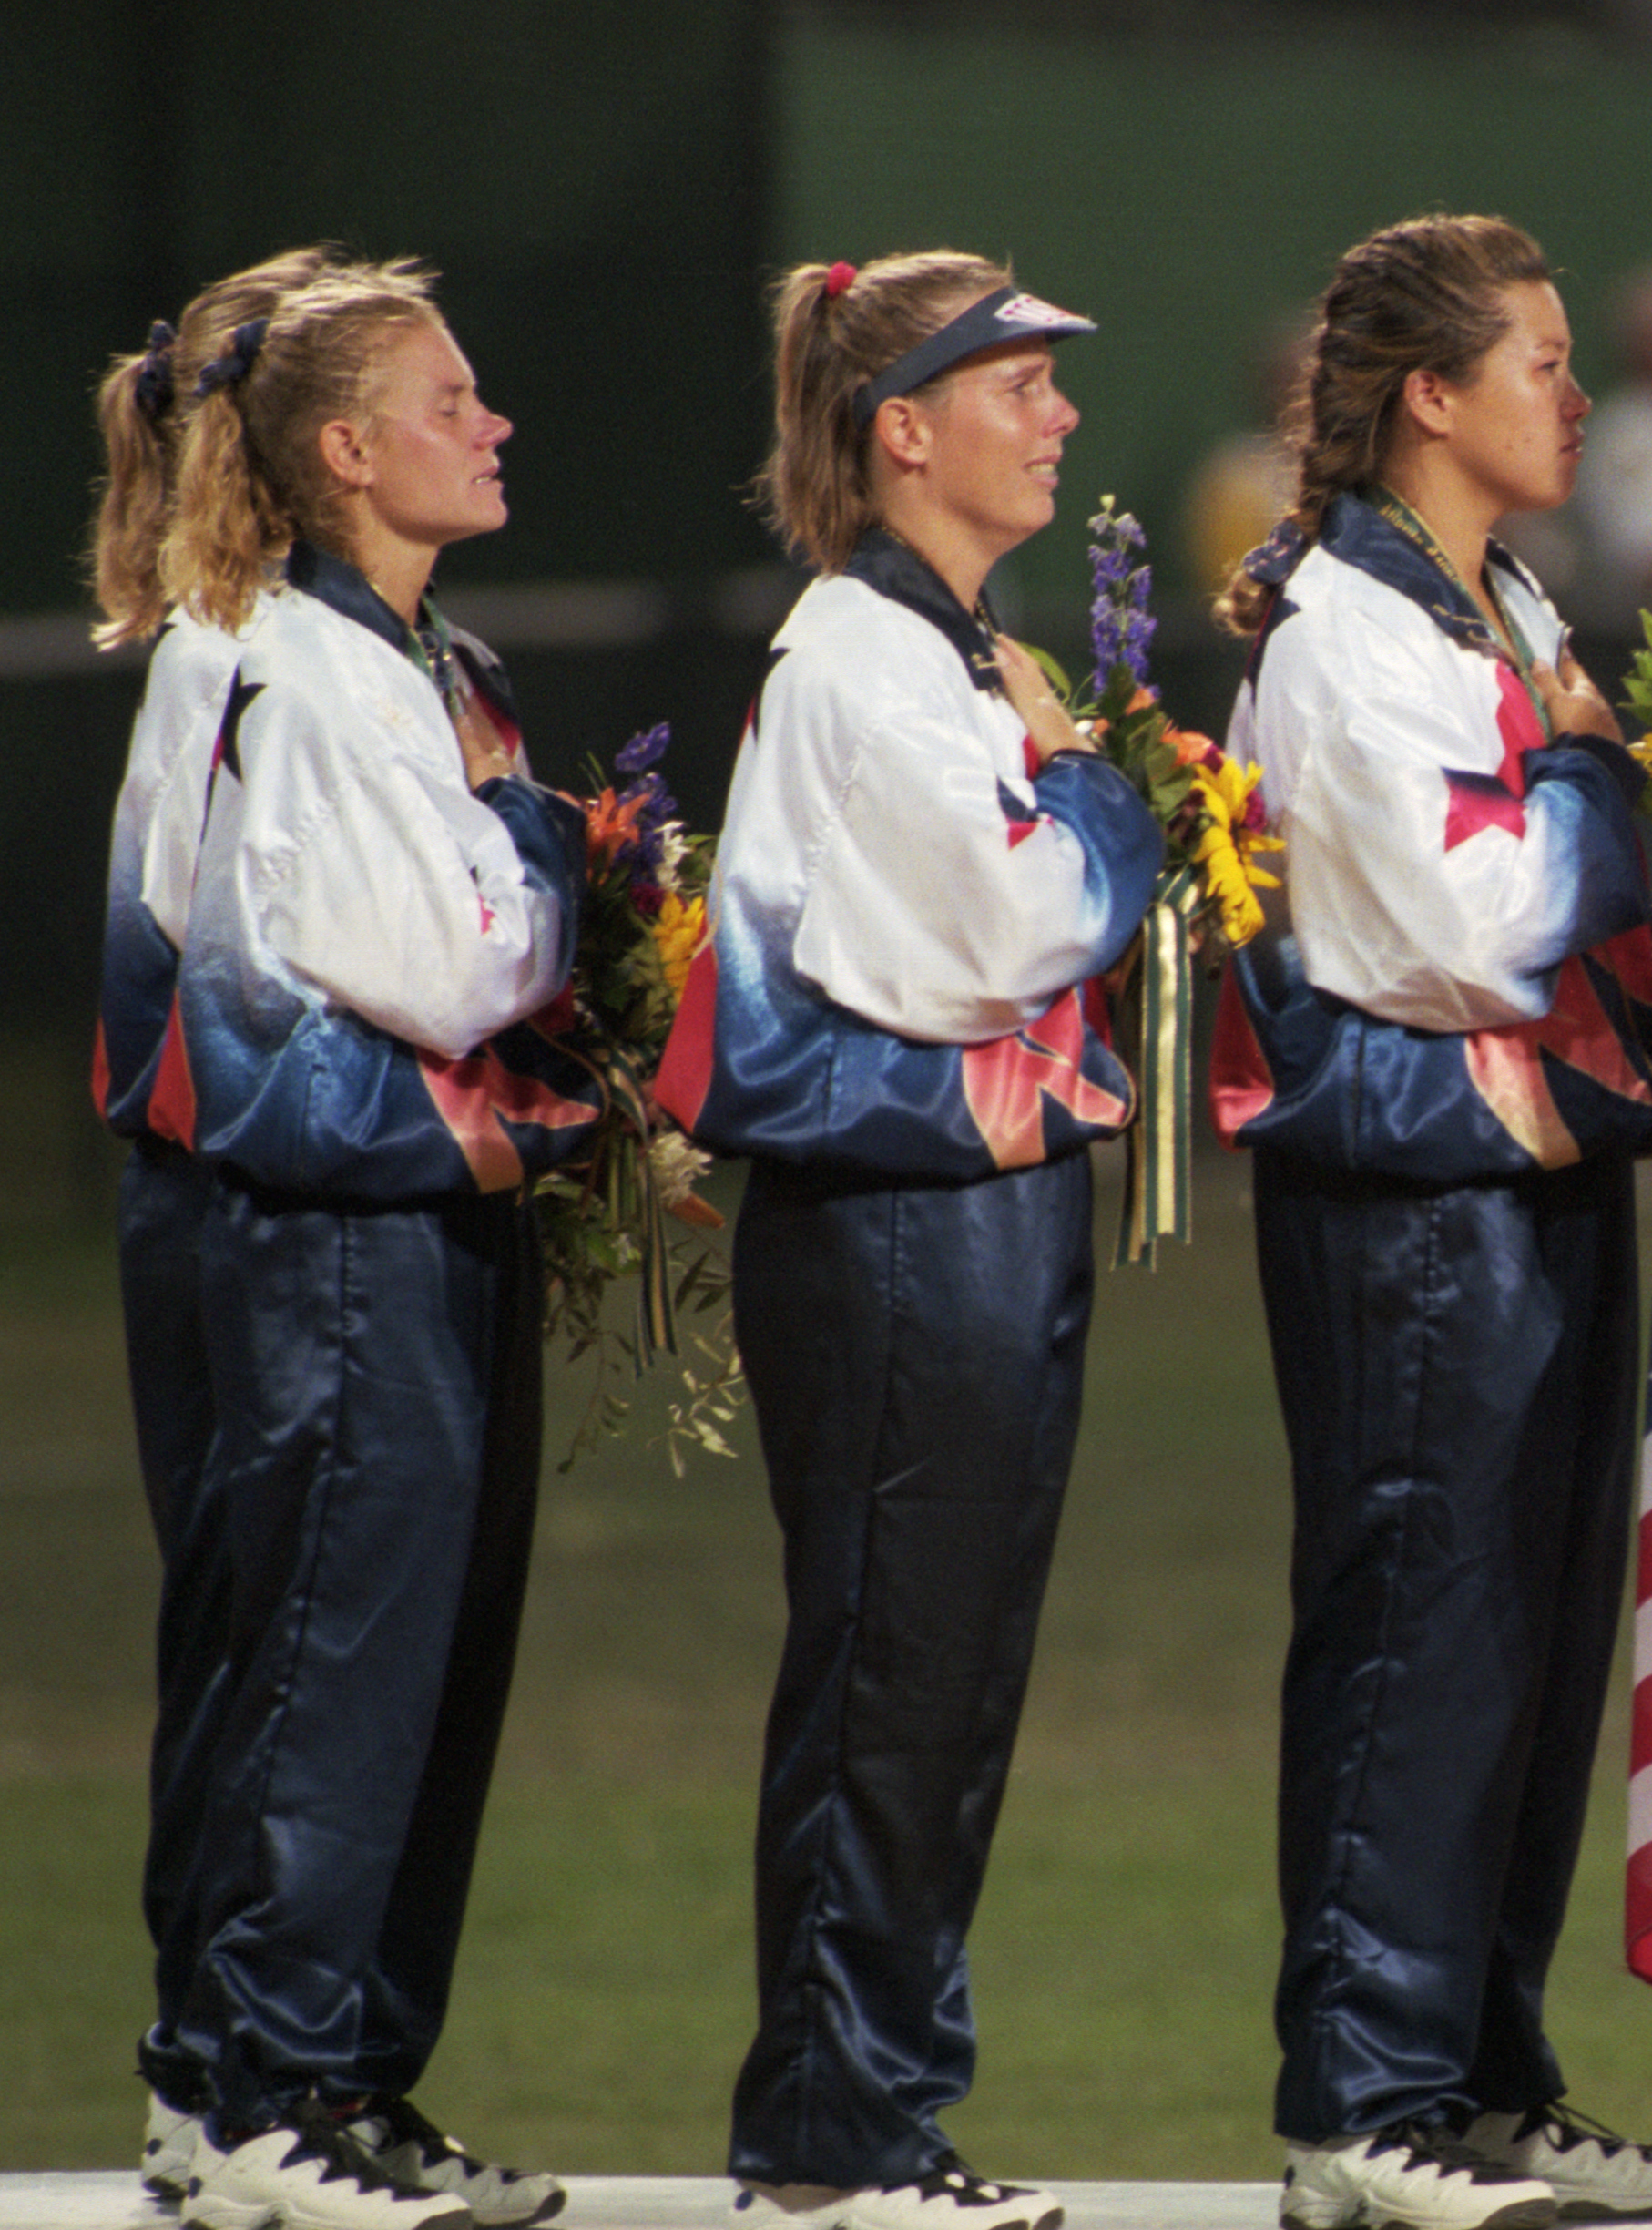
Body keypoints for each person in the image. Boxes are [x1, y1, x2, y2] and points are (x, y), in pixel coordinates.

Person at [653, 251, 1161, 2230]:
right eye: (1016, 385)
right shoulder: (868, 661)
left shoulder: (941, 653)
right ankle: (836, 2132)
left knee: (939, 1687)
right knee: (893, 1685)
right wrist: (1099, 786)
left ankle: (865, 2114)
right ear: (901, 430)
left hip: (967, 1219)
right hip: (889, 1232)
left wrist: (1054, 776)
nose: (1055, 420)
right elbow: (1018, 929)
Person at [1208, 212, 1652, 2230]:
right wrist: (1598, 787)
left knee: (1528, 1645)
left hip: (1541, 1177)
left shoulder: (1494, 599)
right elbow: (1473, 926)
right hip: (1414, 1202)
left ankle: (1483, 2073)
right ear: (1431, 394)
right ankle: (1363, 2098)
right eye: (1539, 361)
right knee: (1421, 1636)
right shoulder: (1350, 629)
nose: (1575, 398)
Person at [158, 258, 587, 2230]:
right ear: (343, 451)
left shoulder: (377, 654)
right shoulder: (314, 673)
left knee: (356, 1660)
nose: (491, 424)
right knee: (332, 1657)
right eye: (450, 399)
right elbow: (453, 961)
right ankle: (265, 2097)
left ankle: (284, 2077)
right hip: (330, 1236)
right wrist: (560, 864)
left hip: (347, 1224)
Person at [84, 242, 342, 2211]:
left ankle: (204, 2077)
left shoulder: (217, 641)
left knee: (244, 1635)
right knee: (274, 1637)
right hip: (239, 1194)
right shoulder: (243, 654)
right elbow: (242, 981)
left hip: (197, 1190)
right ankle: (237, 2078)